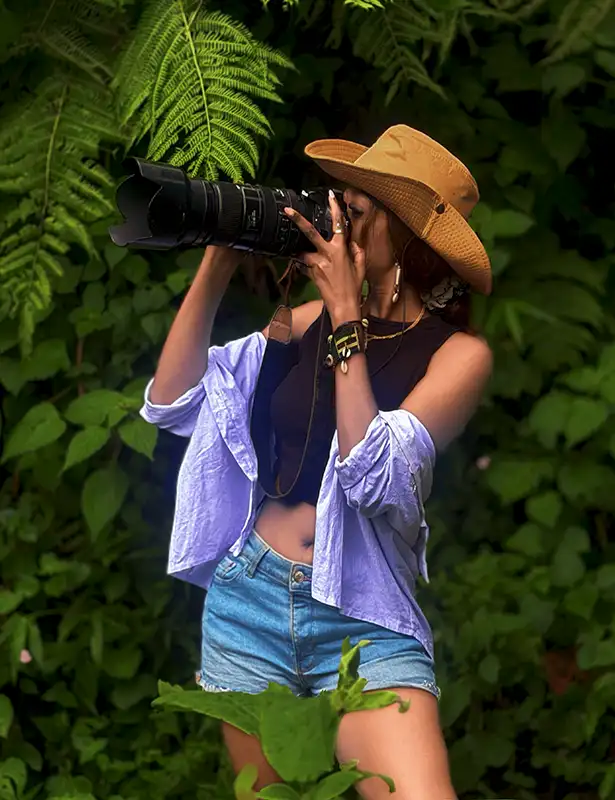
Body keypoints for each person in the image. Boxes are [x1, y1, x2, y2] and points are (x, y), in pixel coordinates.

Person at [140, 124, 493, 799]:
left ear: (407, 238)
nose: (335, 224)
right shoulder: (299, 320)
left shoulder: (458, 356)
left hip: (361, 619)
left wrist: (342, 312)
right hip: (248, 601)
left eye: (355, 213)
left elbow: (371, 475)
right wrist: (216, 264)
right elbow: (174, 400)